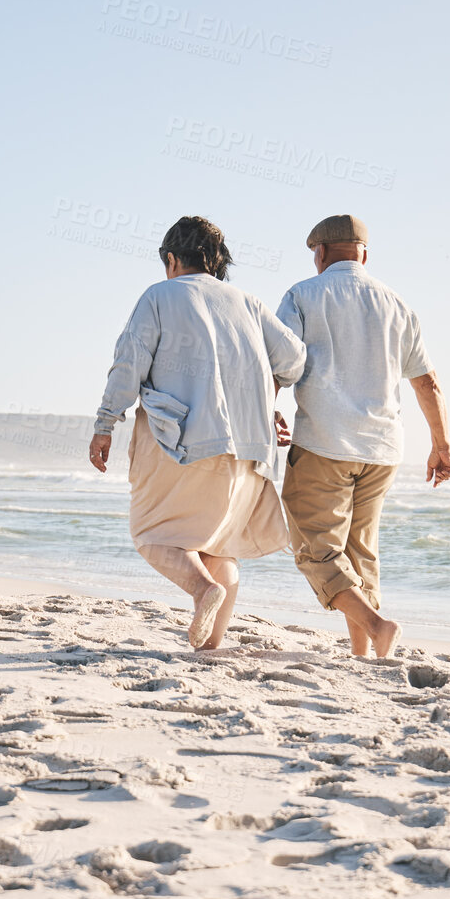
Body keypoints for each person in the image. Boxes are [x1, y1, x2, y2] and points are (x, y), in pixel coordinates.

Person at [89, 216, 306, 650]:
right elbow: (294, 359)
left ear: (172, 259)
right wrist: (266, 399)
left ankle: (201, 590)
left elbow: (128, 365)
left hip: (180, 439)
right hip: (250, 445)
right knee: (220, 546)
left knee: (152, 534)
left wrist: (105, 424)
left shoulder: (159, 296)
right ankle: (209, 648)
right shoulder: (248, 301)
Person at [275, 214, 450, 658]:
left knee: (315, 550)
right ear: (364, 254)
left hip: (323, 441)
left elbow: (278, 364)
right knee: (361, 552)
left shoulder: (302, 295)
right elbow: (427, 382)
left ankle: (376, 625)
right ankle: (364, 652)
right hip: (383, 450)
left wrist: (266, 410)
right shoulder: (397, 304)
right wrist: (441, 446)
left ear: (319, 253)